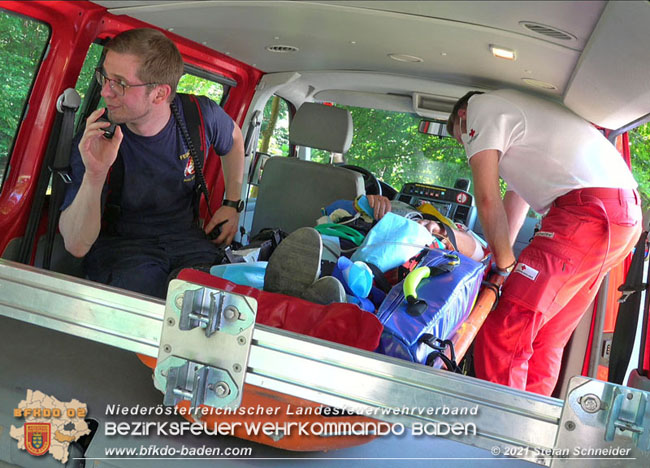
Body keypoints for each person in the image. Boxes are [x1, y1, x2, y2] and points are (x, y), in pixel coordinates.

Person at [446, 89, 641, 395]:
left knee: (505, 327)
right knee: (543, 338)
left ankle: (499, 433)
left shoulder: (478, 107)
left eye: (463, 140)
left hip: (587, 213)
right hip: (618, 216)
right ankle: (529, 432)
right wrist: (498, 261)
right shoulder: (521, 134)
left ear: (462, 117)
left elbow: (486, 199)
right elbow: (514, 202)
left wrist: (505, 264)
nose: (469, 147)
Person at [59, 28, 245, 299]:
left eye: (119, 83)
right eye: (105, 77)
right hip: (123, 249)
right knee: (146, 306)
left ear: (159, 94)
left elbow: (235, 138)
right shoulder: (96, 139)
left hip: (189, 243)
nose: (105, 91)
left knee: (223, 298)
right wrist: (95, 172)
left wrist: (232, 204)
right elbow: (76, 245)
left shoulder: (199, 115)